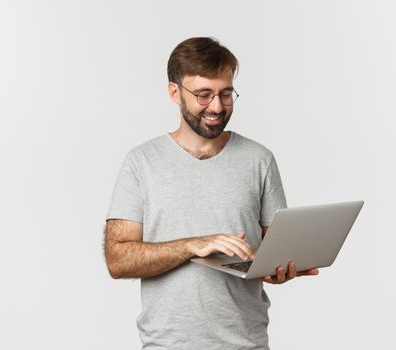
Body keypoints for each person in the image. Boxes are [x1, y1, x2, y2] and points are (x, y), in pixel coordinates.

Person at [104, 37, 319, 350]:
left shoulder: (259, 159)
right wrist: (194, 245)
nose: (217, 107)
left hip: (246, 343)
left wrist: (279, 269)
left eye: (226, 94)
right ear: (174, 92)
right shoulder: (141, 162)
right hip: (167, 344)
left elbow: (274, 250)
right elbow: (118, 259)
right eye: (204, 95)